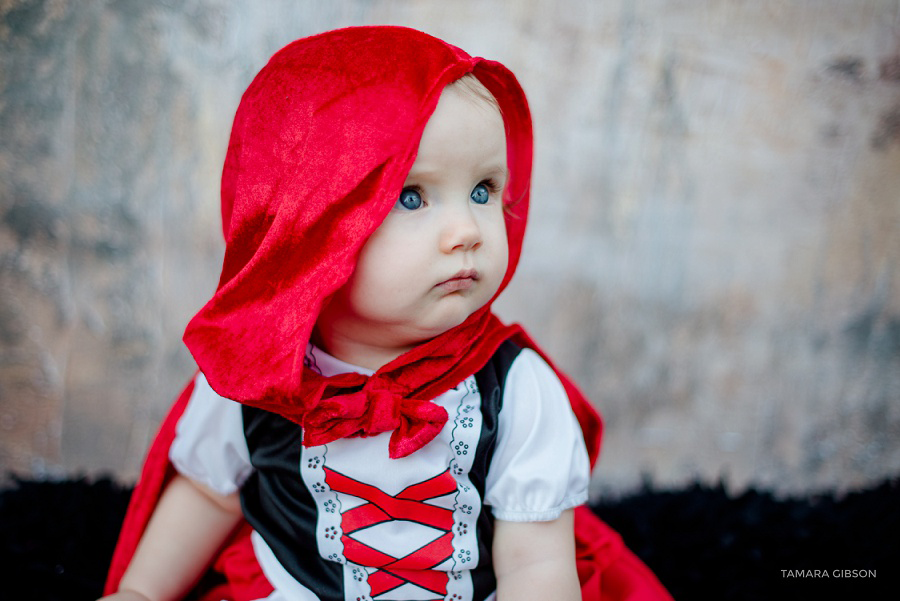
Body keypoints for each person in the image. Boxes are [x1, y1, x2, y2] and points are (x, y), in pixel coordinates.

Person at [100, 26, 672, 601]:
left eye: (483, 190)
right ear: (308, 228)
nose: (467, 232)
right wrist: (142, 592)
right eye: (411, 196)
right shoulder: (254, 375)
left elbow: (535, 564)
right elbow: (209, 495)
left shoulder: (516, 389)